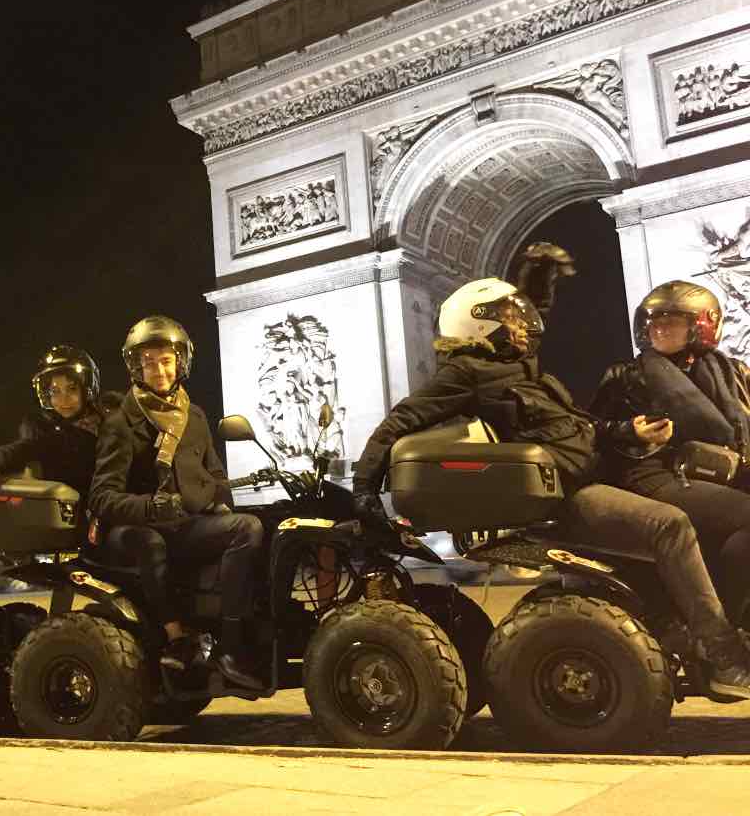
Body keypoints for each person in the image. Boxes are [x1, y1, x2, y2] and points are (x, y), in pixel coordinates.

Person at [350, 249, 750, 700]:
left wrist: (630, 433)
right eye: (511, 319)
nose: (524, 325)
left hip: (593, 475)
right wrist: (363, 487)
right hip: (566, 492)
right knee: (669, 524)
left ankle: (683, 622)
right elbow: (399, 422)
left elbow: (579, 426)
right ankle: (722, 654)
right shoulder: (466, 373)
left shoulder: (525, 372)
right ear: (482, 326)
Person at [88, 316, 265, 688]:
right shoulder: (122, 422)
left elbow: (215, 476)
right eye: (148, 361)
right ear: (136, 366)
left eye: (166, 360)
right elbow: (103, 497)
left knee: (257, 524)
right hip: (148, 529)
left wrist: (223, 505)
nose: (158, 370)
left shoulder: (194, 415)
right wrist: (151, 507)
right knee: (242, 530)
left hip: (187, 524)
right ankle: (224, 648)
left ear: (180, 362)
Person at [591, 281, 750, 623]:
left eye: (671, 321)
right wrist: (631, 432)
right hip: (655, 473)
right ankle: (726, 620)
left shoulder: (733, 372)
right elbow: (591, 431)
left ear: (702, 325)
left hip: (722, 469)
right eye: (653, 322)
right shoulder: (626, 375)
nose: (658, 328)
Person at [0, 344, 120, 514]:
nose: (63, 399)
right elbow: (9, 454)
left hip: (109, 516)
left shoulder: (114, 425)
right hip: (72, 520)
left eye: (71, 388)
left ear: (86, 388)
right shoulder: (53, 435)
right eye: (55, 391)